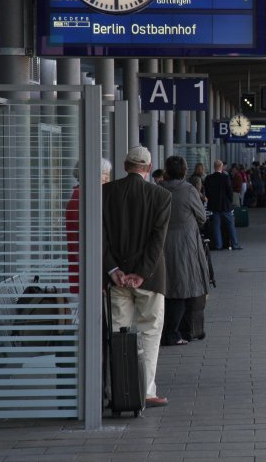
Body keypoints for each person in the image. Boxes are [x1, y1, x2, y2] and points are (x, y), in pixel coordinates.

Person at [102, 146, 172, 408]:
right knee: (150, 333)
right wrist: (142, 273)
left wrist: (113, 269)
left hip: (115, 280)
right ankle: (145, 390)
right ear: (149, 167)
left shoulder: (105, 192)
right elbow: (157, 240)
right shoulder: (161, 195)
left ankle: (117, 390)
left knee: (118, 333)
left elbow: (101, 237)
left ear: (124, 164)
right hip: (150, 280)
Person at [159, 156, 210, 346]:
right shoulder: (188, 190)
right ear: (184, 170)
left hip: (163, 244)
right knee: (183, 288)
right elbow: (202, 217)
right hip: (186, 245)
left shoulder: (159, 188)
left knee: (169, 288)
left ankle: (172, 331)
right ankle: (175, 333)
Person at [65, 158, 112, 294]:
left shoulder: (81, 196)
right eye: (105, 175)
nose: (107, 179)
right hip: (89, 273)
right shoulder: (82, 199)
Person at [203, 160, 242, 251]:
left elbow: (207, 192)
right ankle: (234, 244)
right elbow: (229, 191)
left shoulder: (209, 178)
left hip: (214, 206)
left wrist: (211, 200)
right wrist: (230, 202)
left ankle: (218, 245)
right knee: (230, 225)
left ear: (214, 167)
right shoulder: (225, 177)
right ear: (221, 166)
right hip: (226, 206)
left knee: (216, 226)